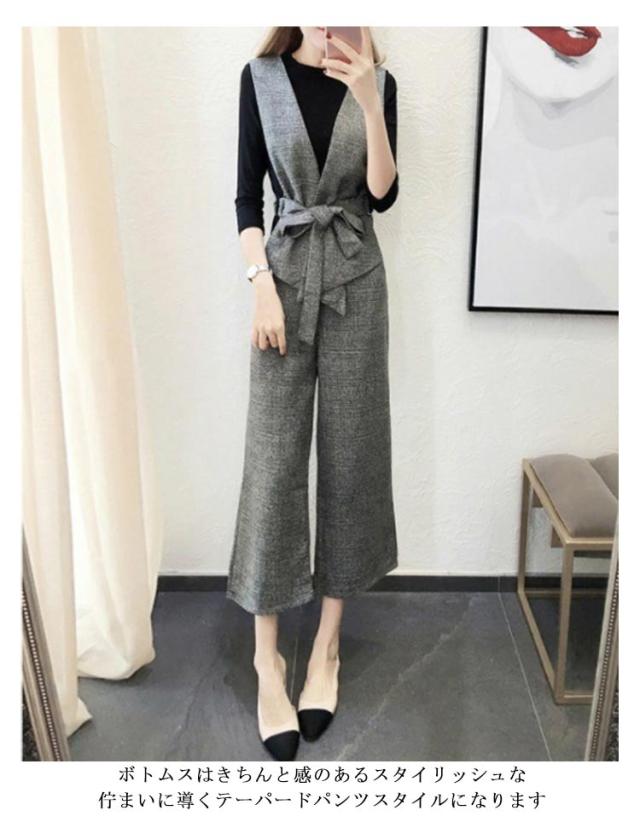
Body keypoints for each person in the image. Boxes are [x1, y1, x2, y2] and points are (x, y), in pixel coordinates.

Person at [227, 25, 399, 761]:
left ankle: (326, 647)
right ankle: (267, 658)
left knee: (351, 458)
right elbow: (247, 200)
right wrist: (260, 285)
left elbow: (383, 195)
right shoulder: (259, 78)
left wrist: (370, 101)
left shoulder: (377, 82)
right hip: (284, 284)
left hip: (359, 281)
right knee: (273, 466)